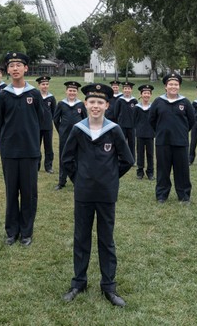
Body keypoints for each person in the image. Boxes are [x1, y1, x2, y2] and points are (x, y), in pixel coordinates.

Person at [61, 83, 134, 307]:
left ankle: (108, 286)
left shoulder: (114, 130)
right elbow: (66, 160)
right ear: (85, 104)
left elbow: (128, 160)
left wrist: (110, 178)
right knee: (81, 237)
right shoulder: (77, 129)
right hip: (83, 193)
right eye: (92, 102)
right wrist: (80, 180)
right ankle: (78, 282)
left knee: (106, 239)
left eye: (100, 102)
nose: (95, 106)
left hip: (105, 194)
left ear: (107, 105)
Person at [0, 52, 44, 246]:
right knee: (11, 191)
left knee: (29, 193)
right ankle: (11, 231)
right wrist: (6, 141)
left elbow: (40, 120)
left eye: (19, 64)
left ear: (26, 68)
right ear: (7, 69)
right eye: (11, 65)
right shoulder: (2, 95)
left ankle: (26, 232)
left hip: (30, 151)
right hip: (9, 151)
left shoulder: (34, 94)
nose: (15, 68)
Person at [149, 73, 195, 203]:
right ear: (165, 86)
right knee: (163, 169)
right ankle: (162, 195)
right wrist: (161, 132)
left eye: (176, 84)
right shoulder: (158, 102)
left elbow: (191, 121)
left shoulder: (185, 102)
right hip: (163, 142)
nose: (173, 86)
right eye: (170, 84)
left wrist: (181, 132)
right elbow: (152, 120)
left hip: (180, 142)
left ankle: (184, 195)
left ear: (179, 86)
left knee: (182, 170)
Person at [53, 81, 87, 190]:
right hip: (65, 136)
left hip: (78, 136)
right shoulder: (61, 104)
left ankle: (77, 180)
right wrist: (61, 130)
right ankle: (61, 181)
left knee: (77, 158)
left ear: (77, 92)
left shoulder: (81, 105)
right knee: (63, 157)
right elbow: (56, 120)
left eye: (74, 91)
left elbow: (85, 119)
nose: (72, 93)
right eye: (70, 90)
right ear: (66, 91)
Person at [36, 76, 56, 174]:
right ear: (39, 85)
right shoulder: (35, 96)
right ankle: (36, 166)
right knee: (36, 147)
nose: (45, 86)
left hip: (48, 127)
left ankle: (48, 166)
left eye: (47, 84)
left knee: (48, 147)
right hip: (36, 126)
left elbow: (54, 113)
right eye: (43, 84)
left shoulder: (51, 98)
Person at [113, 81, 137, 161]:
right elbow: (116, 113)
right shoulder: (120, 100)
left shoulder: (134, 101)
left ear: (131, 90)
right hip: (122, 125)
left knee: (132, 143)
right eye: (125, 89)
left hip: (131, 126)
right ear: (123, 90)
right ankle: (121, 158)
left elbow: (137, 114)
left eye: (129, 89)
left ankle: (132, 159)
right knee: (121, 142)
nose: (127, 90)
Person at [135, 84, 155, 180]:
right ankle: (140, 171)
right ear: (141, 94)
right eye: (144, 93)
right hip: (140, 133)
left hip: (150, 134)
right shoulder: (137, 107)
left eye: (148, 93)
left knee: (150, 154)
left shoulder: (153, 107)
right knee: (140, 153)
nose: (146, 95)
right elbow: (134, 120)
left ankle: (150, 172)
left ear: (150, 95)